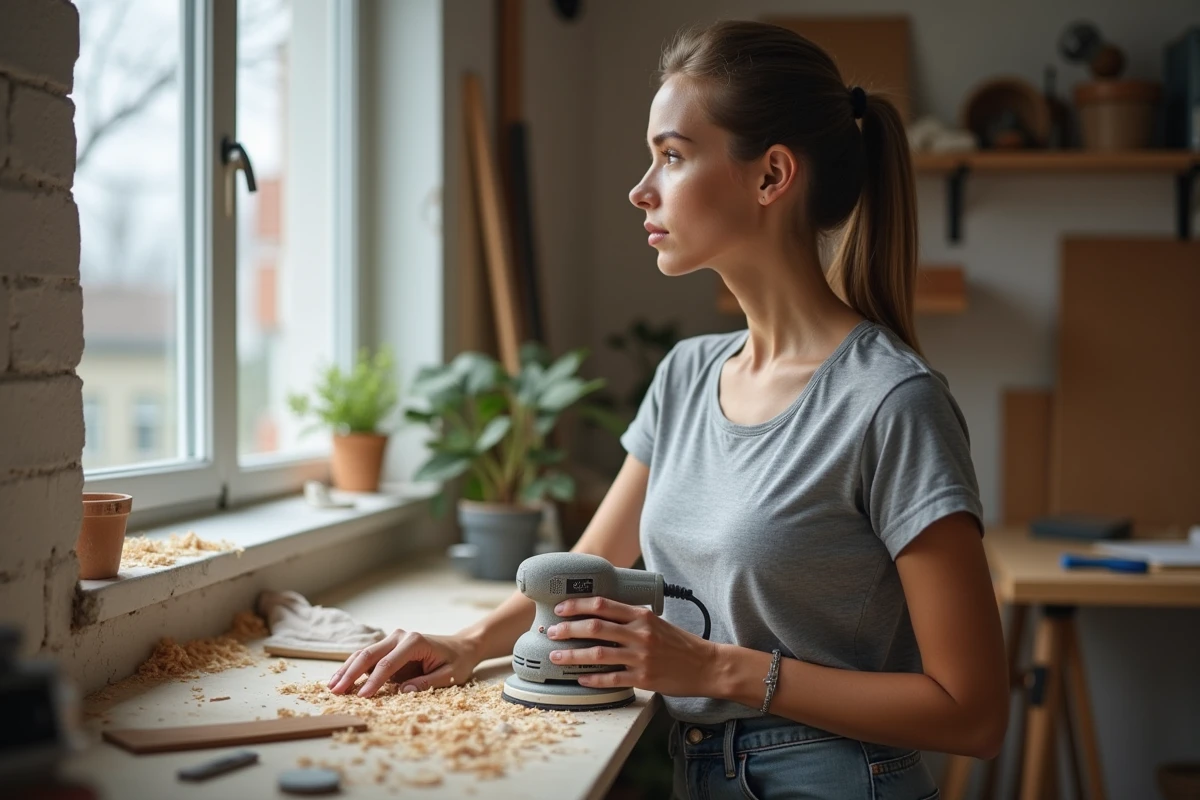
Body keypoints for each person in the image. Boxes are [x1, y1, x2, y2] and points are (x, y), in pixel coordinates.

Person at [327, 19, 1008, 799]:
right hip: (703, 770)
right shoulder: (687, 376)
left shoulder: (893, 403)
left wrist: (713, 666)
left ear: (771, 175)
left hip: (838, 777)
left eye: (673, 156)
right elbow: (590, 567)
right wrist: (467, 642)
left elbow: (973, 712)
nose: (640, 188)